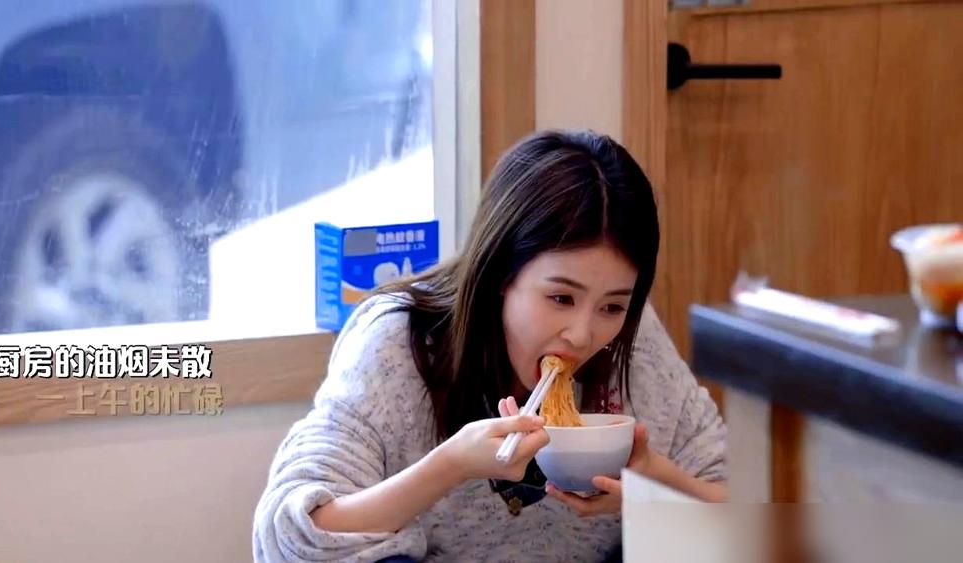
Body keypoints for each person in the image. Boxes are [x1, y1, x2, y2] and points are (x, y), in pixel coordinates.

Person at [252, 130, 727, 562]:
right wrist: (451, 464)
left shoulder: (633, 344)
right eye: (561, 298)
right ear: (501, 272)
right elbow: (288, 538)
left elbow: (743, 516)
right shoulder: (400, 342)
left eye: (612, 306)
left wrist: (653, 485)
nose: (584, 335)